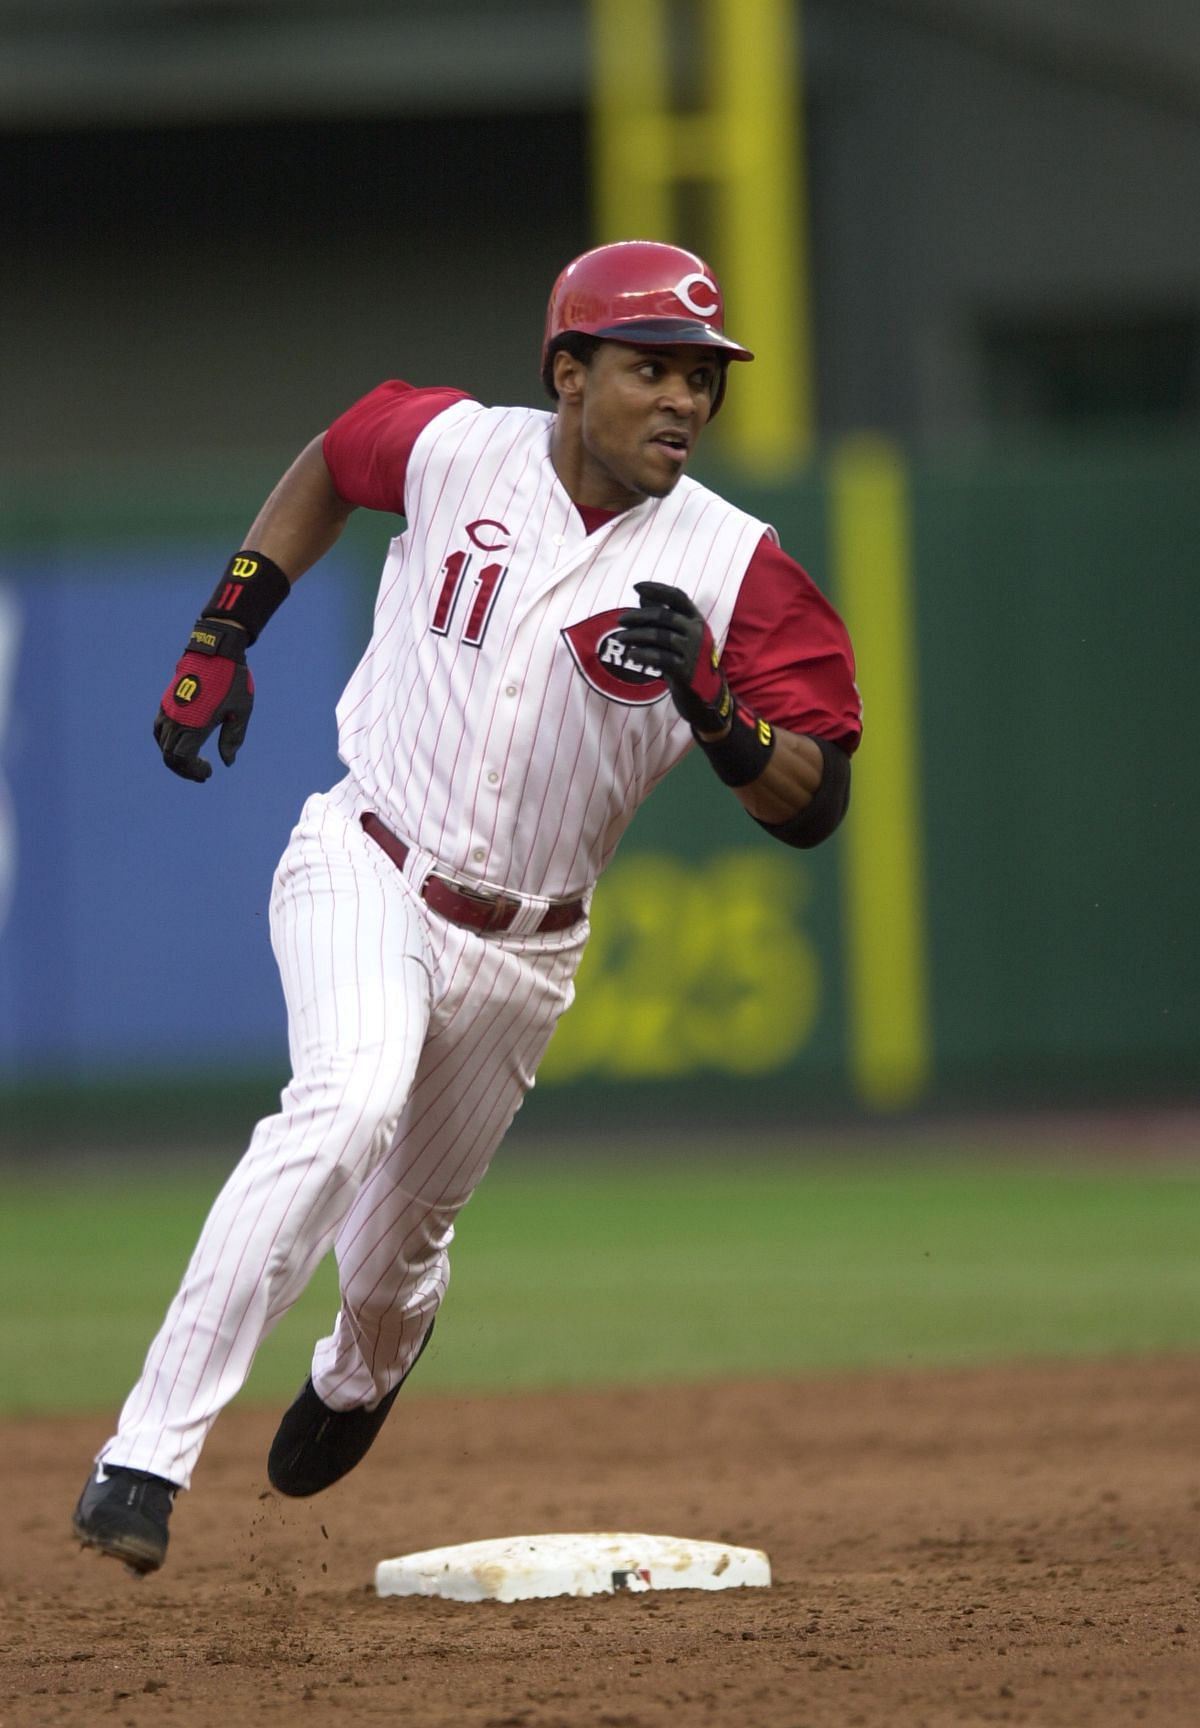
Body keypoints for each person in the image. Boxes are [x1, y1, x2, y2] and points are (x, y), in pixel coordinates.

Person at [72, 240, 862, 1576]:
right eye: (649, 369)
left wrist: (724, 722)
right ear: (569, 370)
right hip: (366, 858)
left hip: (527, 948)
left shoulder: (736, 567)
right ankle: (143, 1455)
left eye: (701, 379)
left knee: (395, 1260)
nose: (682, 401)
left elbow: (819, 795)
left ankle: (366, 1366)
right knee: (347, 1096)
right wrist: (223, 633)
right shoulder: (450, 446)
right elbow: (331, 460)